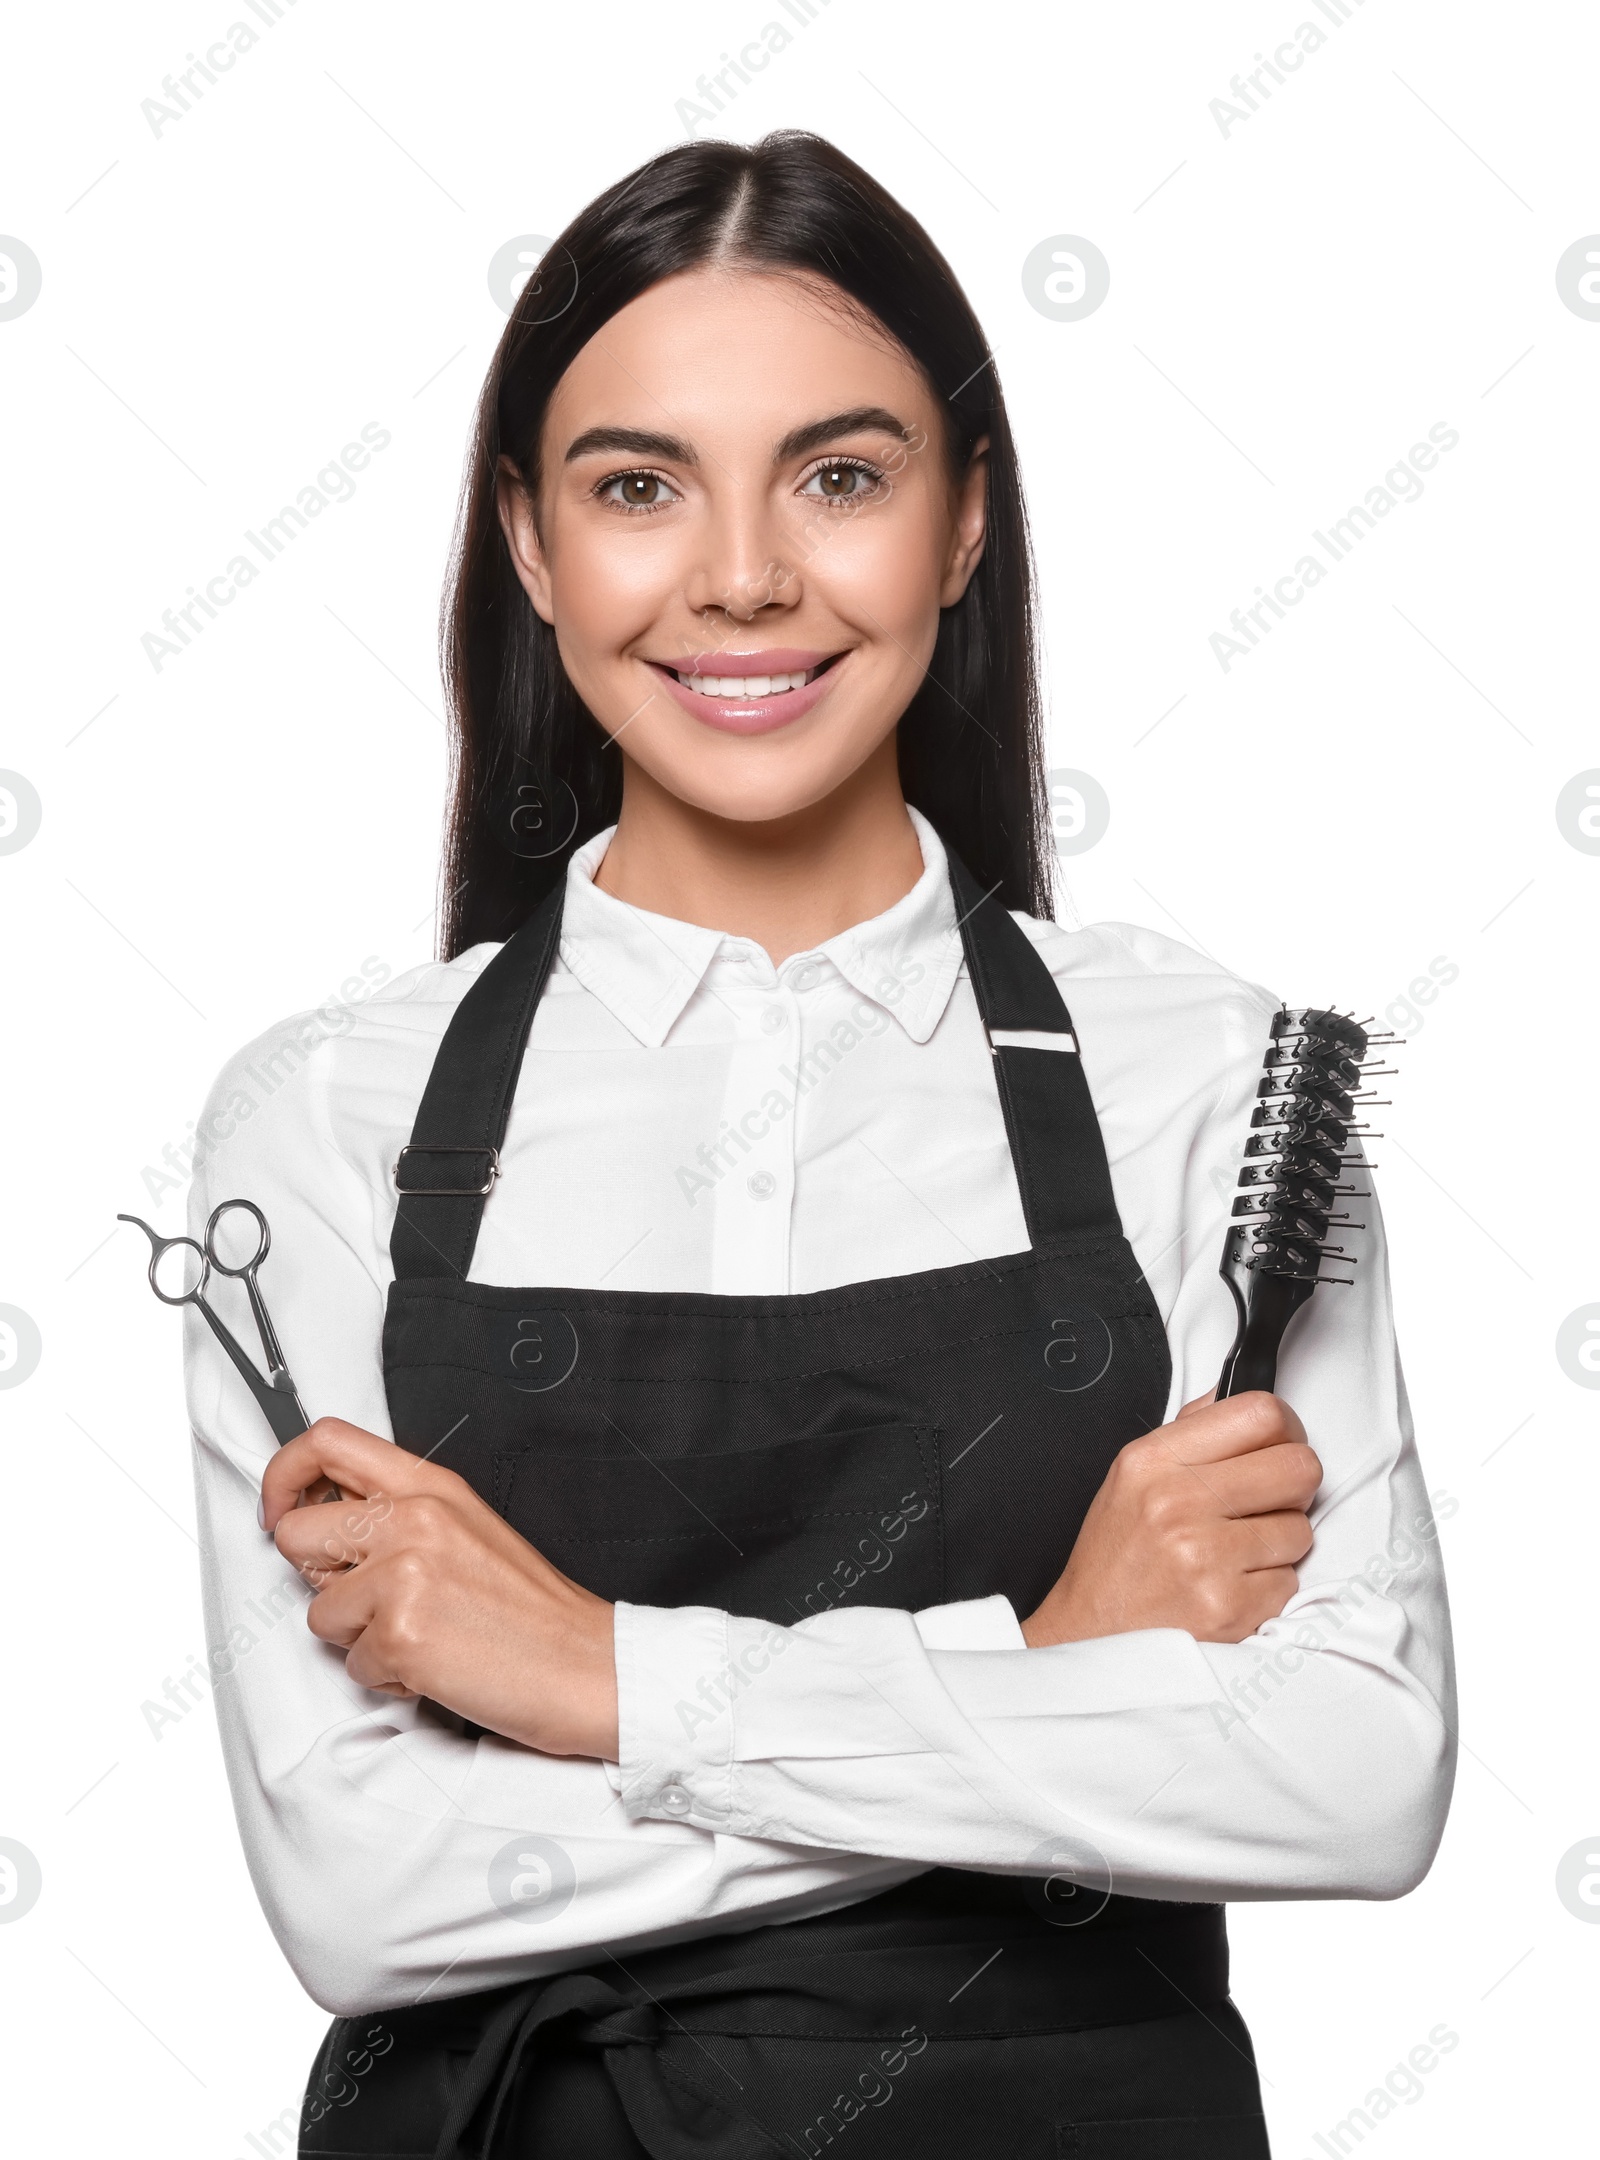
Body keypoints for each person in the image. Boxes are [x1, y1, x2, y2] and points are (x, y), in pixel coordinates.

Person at [185, 132, 1455, 2160]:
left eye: (841, 477)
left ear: (959, 527)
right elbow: (369, 1888)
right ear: (527, 545)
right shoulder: (331, 1115)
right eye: (633, 487)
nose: (743, 573)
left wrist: (598, 1684)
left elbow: (1344, 1776)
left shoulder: (1200, 1076)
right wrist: (1049, 1669)